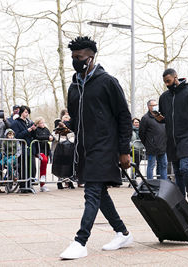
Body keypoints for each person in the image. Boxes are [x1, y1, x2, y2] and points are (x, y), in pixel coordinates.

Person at [60, 36, 133, 260]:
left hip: (105, 146)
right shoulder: (74, 87)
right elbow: (77, 118)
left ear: (91, 58)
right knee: (99, 193)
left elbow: (124, 116)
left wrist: (124, 150)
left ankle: (80, 241)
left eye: (79, 57)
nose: (75, 61)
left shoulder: (108, 82)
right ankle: (122, 232)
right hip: (85, 147)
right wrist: (67, 126)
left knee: (91, 191)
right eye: (72, 57)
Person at [155, 68, 188, 212]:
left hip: (187, 136)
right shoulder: (164, 97)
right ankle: (181, 199)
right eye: (164, 82)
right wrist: (160, 119)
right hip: (172, 138)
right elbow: (165, 118)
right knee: (177, 171)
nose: (167, 84)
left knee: (184, 167)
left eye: (168, 81)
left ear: (176, 77)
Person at [139, 99, 167, 180]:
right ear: (148, 107)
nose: (155, 107)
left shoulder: (161, 117)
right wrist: (148, 143)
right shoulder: (145, 118)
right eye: (153, 105)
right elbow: (141, 133)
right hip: (152, 147)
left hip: (163, 146)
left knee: (164, 165)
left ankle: (164, 183)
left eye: (156, 105)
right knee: (151, 166)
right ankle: (150, 184)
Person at [10, 105, 37, 192]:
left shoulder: (30, 122)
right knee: (24, 168)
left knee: (32, 167)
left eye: (28, 112)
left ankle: (29, 184)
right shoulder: (16, 123)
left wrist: (34, 130)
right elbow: (17, 135)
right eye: (25, 112)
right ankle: (23, 186)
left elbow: (33, 136)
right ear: (21, 112)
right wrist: (28, 130)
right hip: (22, 148)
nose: (27, 114)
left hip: (30, 148)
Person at [34, 117, 55, 192]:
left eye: (43, 122)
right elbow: (37, 137)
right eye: (41, 123)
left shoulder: (46, 129)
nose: (43, 124)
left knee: (45, 165)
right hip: (39, 150)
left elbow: (51, 137)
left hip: (46, 150)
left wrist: (51, 138)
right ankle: (40, 180)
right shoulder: (36, 130)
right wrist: (47, 137)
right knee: (44, 160)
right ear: (37, 124)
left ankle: (42, 184)